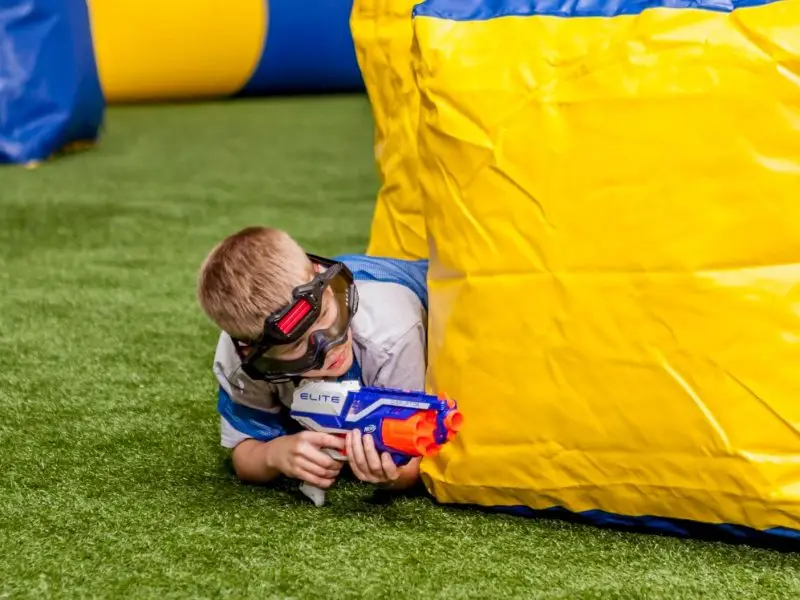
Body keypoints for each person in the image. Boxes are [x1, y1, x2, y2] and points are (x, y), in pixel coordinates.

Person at [196, 225, 429, 494]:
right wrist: (273, 454)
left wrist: (393, 476)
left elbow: (413, 463)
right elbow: (245, 454)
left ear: (324, 281)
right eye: (296, 344)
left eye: (323, 316)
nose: (329, 347)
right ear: (252, 352)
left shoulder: (390, 330)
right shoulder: (240, 360)